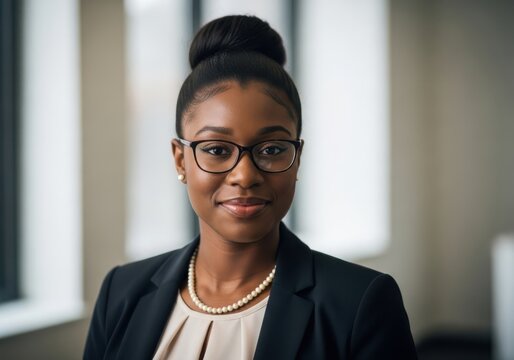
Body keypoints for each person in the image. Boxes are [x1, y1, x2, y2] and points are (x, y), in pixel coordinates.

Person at [84, 15, 417, 360]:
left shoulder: (360, 303)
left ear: (297, 158)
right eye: (216, 150)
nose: (244, 175)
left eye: (272, 149)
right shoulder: (121, 292)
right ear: (180, 160)